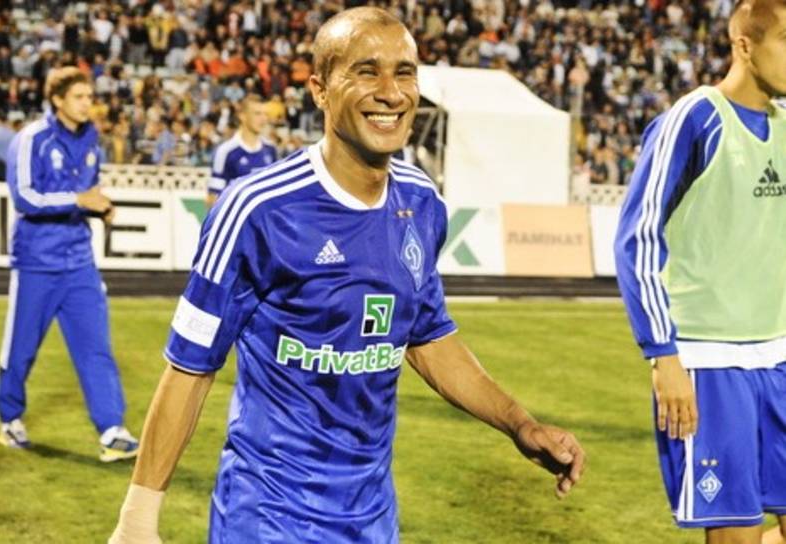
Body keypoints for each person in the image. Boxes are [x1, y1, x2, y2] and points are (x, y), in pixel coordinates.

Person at [109, 8, 585, 543]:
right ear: (319, 89)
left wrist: (520, 424)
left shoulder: (421, 203)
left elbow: (428, 336)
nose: (390, 93)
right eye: (366, 71)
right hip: (269, 516)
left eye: (404, 73)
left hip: (371, 518)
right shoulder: (259, 209)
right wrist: (138, 518)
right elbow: (190, 367)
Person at [614, 2, 786, 543]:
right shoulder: (694, 119)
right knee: (735, 532)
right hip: (709, 363)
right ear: (745, 46)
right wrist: (663, 355)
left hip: (779, 354)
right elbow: (637, 237)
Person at [0, 67, 139, 463]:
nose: (87, 103)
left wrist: (100, 209)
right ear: (57, 99)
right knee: (21, 349)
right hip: (36, 262)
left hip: (79, 261)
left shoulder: (92, 140)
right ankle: (10, 419)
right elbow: (25, 198)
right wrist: (79, 201)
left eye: (89, 96)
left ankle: (112, 430)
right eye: (78, 96)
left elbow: (86, 195)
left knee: (96, 348)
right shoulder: (31, 139)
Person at [205, 94, 277, 208]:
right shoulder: (225, 151)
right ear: (242, 116)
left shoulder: (270, 149)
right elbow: (212, 199)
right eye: (257, 114)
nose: (263, 119)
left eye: (265, 114)